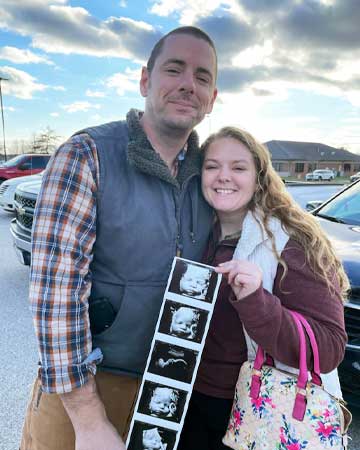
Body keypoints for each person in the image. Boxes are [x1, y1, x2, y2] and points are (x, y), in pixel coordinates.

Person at [20, 26, 217, 450]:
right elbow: (56, 293)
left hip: (170, 396)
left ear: (212, 99)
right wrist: (88, 421)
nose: (188, 84)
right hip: (87, 393)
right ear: (145, 80)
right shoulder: (87, 155)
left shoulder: (213, 175)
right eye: (175, 69)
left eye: (202, 77)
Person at [178, 127, 348, 450]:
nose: (223, 176)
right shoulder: (194, 234)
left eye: (238, 167)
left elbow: (329, 347)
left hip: (258, 413)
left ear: (259, 177)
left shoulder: (291, 240)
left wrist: (258, 302)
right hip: (189, 403)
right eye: (212, 166)